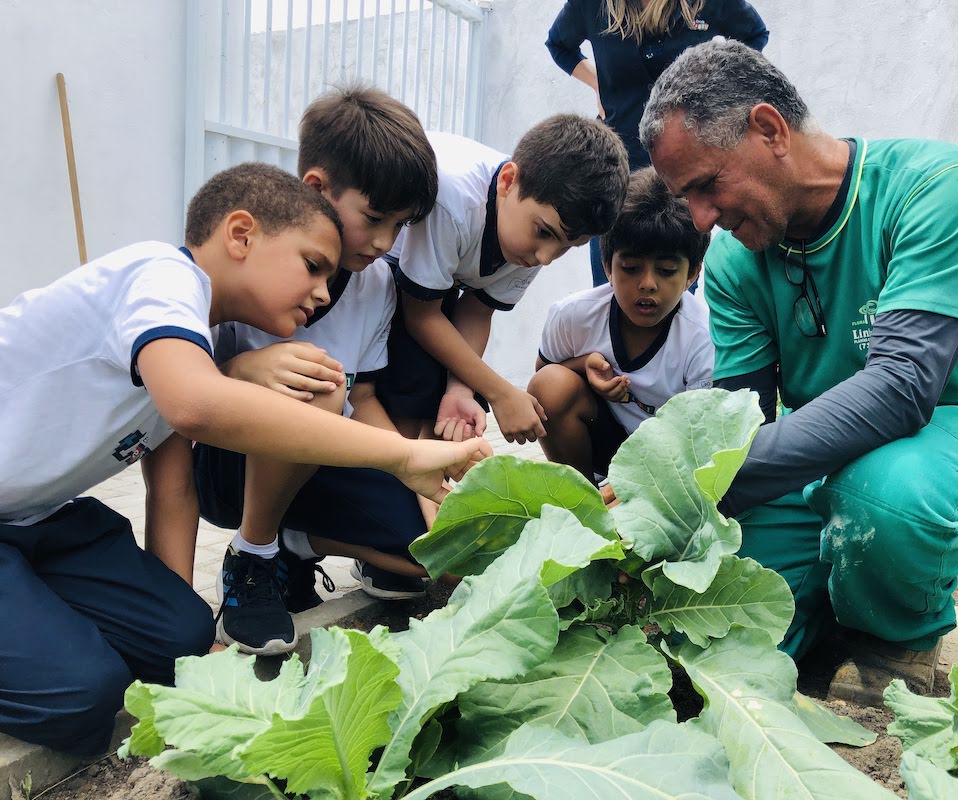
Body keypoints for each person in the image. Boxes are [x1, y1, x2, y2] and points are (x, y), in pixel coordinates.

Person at [0, 163, 490, 754]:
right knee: (82, 696)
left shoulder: (184, 344)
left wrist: (176, 642)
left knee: (182, 633)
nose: (321, 292)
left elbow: (174, 492)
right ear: (241, 234)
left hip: (38, 522)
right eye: (312, 266)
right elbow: (196, 405)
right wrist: (402, 455)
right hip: (24, 523)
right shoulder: (157, 274)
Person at [639, 40, 958, 704]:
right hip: (823, 464)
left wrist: (704, 482)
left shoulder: (940, 188)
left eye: (705, 185)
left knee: (882, 496)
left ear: (768, 129)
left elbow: (902, 389)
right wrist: (660, 501)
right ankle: (831, 615)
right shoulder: (735, 264)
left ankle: (892, 646)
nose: (699, 220)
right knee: (716, 623)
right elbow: (737, 422)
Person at [194, 86, 442, 658]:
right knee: (319, 385)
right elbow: (179, 388)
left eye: (400, 226)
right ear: (317, 189)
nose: (384, 243)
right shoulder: (248, 257)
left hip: (321, 459)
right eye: (375, 218)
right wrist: (241, 368)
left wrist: (419, 473)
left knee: (434, 550)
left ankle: (295, 545)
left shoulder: (377, 283)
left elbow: (369, 396)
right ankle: (252, 559)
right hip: (230, 468)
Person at [376, 114, 630, 450]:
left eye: (568, 247)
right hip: (377, 264)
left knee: (452, 394)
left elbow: (477, 312)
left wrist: (460, 389)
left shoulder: (533, 230)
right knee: (416, 372)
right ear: (508, 182)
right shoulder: (454, 199)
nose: (546, 258)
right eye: (545, 233)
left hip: (432, 286)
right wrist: (500, 392)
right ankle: (399, 475)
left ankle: (422, 479)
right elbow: (420, 317)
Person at [546, 0, 768, 286]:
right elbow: (559, 44)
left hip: (684, 175)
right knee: (611, 287)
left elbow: (754, 34)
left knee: (674, 287)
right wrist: (598, 82)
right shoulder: (592, 5)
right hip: (616, 174)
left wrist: (716, 95)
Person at [528, 167, 712, 484]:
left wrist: (641, 487)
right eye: (630, 267)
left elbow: (703, 445)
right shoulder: (572, 316)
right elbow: (543, 379)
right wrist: (583, 365)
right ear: (608, 266)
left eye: (667, 270)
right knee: (550, 386)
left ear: (692, 274)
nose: (648, 284)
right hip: (605, 443)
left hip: (675, 463)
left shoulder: (703, 340)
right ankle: (582, 501)